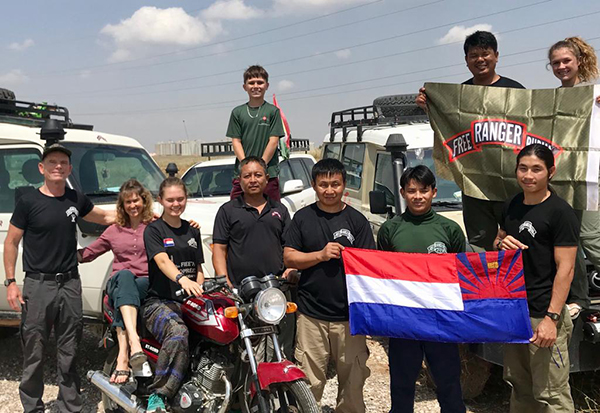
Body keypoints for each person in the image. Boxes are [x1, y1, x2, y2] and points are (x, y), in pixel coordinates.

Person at [3, 141, 116, 413]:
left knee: (69, 348)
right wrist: (11, 283)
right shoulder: (28, 201)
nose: (58, 166)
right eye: (52, 162)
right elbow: (11, 242)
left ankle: (70, 405)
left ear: (69, 168)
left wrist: (147, 214)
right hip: (38, 284)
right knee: (35, 349)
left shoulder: (75, 198)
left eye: (63, 163)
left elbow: (103, 216)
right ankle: (32, 406)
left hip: (69, 284)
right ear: (42, 168)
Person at [416, 30, 525, 251]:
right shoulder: (458, 96)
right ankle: (483, 286)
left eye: (485, 53)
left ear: (496, 55)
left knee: (518, 243)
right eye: (473, 55)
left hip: (511, 186)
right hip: (475, 186)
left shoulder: (516, 91)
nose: (480, 60)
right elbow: (446, 131)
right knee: (480, 245)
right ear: (466, 61)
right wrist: (430, 108)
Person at [283, 158, 375, 412]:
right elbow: (289, 257)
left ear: (344, 185)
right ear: (314, 185)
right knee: (309, 382)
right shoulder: (302, 218)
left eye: (335, 184)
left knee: (353, 382)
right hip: (311, 315)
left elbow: (371, 265)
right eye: (323, 184)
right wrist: (320, 255)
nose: (329, 190)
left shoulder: (357, 221)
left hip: (350, 317)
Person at [494, 144, 578, 412]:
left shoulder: (560, 212)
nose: (528, 175)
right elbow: (498, 240)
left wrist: (552, 319)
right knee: (519, 386)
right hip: (515, 311)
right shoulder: (511, 204)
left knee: (551, 395)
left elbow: (566, 269)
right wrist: (500, 242)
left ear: (550, 172)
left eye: (536, 169)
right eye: (523, 168)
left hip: (543, 313)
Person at [377, 165, 466, 413]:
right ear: (403, 192)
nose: (418, 196)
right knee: (402, 388)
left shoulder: (450, 230)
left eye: (423, 190)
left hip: (441, 322)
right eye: (412, 190)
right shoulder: (389, 230)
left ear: (434, 192)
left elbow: (461, 275)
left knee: (449, 386)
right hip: (403, 324)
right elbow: (380, 277)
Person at [212, 156, 295, 358]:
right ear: (239, 180)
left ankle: (280, 387)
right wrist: (225, 282)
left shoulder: (280, 210)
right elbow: (219, 249)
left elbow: (289, 247)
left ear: (267, 179)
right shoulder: (227, 211)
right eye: (247, 176)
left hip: (276, 291)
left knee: (281, 348)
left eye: (258, 175)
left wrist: (289, 270)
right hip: (241, 292)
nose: (253, 180)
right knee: (244, 350)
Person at [77, 179, 153, 383]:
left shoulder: (154, 227)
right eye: (128, 202)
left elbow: (177, 240)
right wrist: (63, 254)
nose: (133, 206)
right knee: (125, 277)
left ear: (144, 201)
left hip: (145, 283)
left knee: (127, 290)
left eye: (136, 201)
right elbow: (90, 252)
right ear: (122, 205)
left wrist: (190, 226)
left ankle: (123, 355)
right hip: (119, 280)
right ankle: (134, 343)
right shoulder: (114, 230)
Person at [548, 36, 600, 318]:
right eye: (555, 63)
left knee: (590, 236)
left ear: (579, 61)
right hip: (565, 178)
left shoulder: (595, 92)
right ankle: (581, 298)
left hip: (593, 176)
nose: (561, 66)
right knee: (570, 240)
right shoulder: (553, 98)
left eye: (566, 61)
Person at [142, 177, 205, 413]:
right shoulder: (154, 230)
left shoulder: (192, 230)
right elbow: (161, 260)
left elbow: (199, 269)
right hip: (159, 302)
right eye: (170, 200)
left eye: (180, 199)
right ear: (160, 200)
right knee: (178, 333)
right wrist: (182, 279)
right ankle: (158, 394)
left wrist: (198, 287)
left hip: (189, 301)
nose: (176, 204)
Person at [227, 65, 285, 201]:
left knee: (272, 214)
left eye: (260, 82)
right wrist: (246, 166)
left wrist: (261, 167)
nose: (256, 86)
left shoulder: (273, 111)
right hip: (242, 174)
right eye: (251, 83)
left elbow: (274, 141)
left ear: (267, 85)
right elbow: (236, 141)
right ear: (244, 87)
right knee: (235, 211)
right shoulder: (237, 112)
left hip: (268, 173)